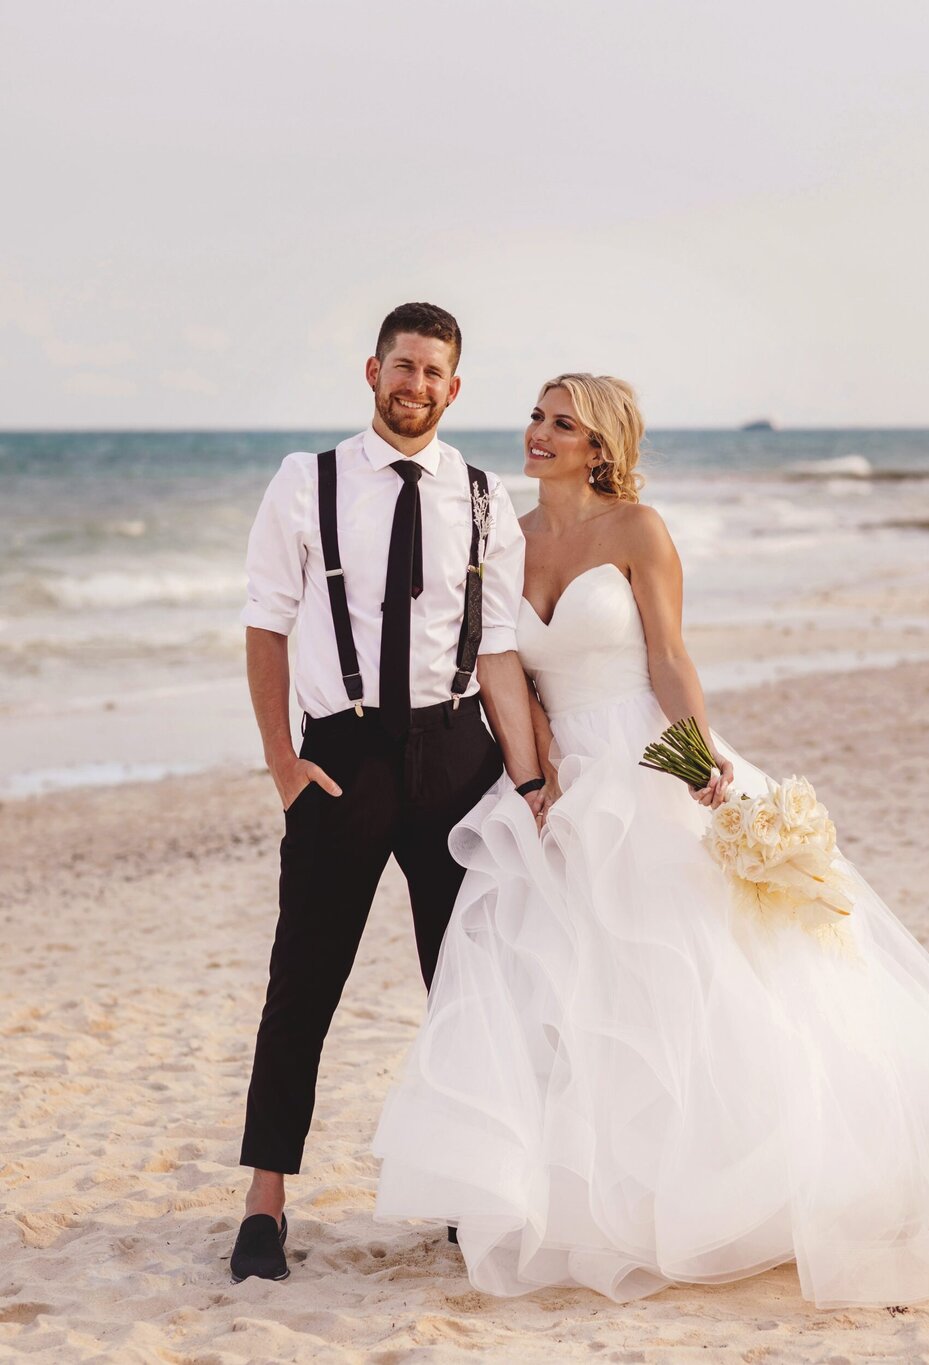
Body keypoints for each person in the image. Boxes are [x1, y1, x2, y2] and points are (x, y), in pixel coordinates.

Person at [371, 372, 929, 1307]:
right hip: (560, 787)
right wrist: (534, 773)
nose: (540, 434)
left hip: (650, 761)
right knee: (565, 985)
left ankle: (747, 1187)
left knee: (709, 980)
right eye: (536, 416)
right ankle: (588, 1198)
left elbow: (669, 657)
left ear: (601, 446)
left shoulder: (639, 531)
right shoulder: (506, 534)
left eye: (563, 423)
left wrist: (699, 764)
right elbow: (499, 666)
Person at [228, 303, 547, 1284]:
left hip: (456, 758)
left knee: (463, 987)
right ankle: (265, 1202)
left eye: (434, 373)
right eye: (402, 367)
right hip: (344, 758)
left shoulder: (486, 497)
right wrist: (283, 763)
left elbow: (496, 652)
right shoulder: (305, 482)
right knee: (304, 981)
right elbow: (266, 625)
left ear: (455, 389)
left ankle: (468, 1192)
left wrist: (527, 774)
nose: (416, 386)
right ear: (374, 372)